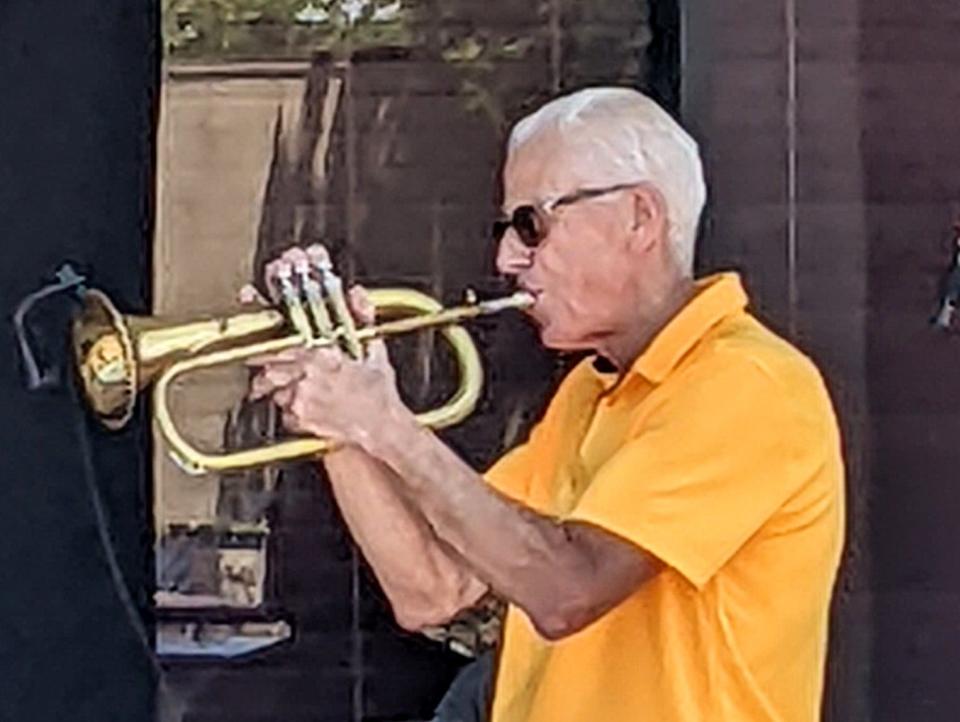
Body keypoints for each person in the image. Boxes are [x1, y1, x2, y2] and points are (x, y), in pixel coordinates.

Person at [248, 87, 845, 722]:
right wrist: (335, 424)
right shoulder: (591, 392)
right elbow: (429, 589)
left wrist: (386, 425)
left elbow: (568, 591)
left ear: (639, 216)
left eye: (531, 225)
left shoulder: (748, 384)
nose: (508, 259)